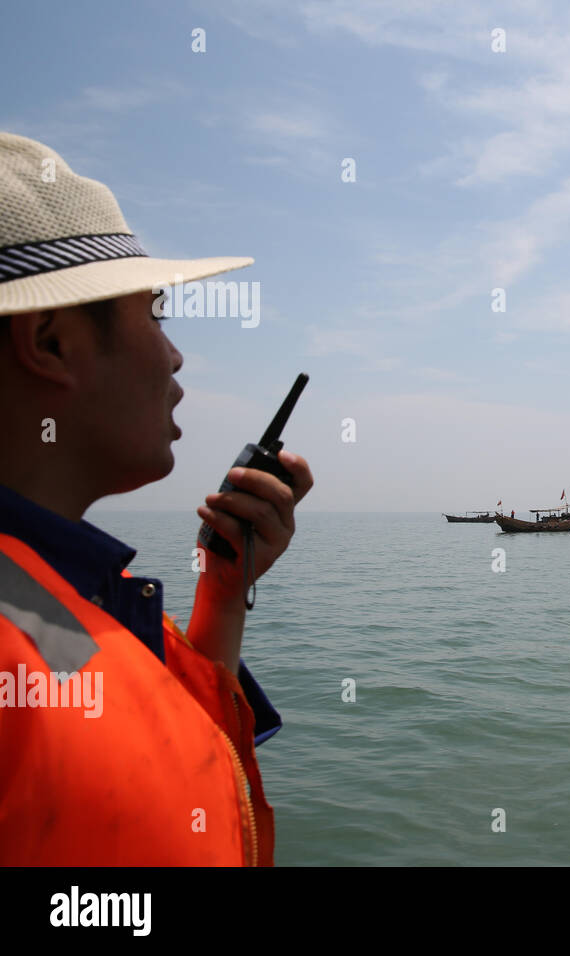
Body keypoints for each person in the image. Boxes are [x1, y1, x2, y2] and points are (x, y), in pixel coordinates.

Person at [0, 133, 313, 865]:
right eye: (157, 313)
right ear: (49, 342)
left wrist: (224, 594)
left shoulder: (43, 600)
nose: (174, 357)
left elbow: (154, 732)